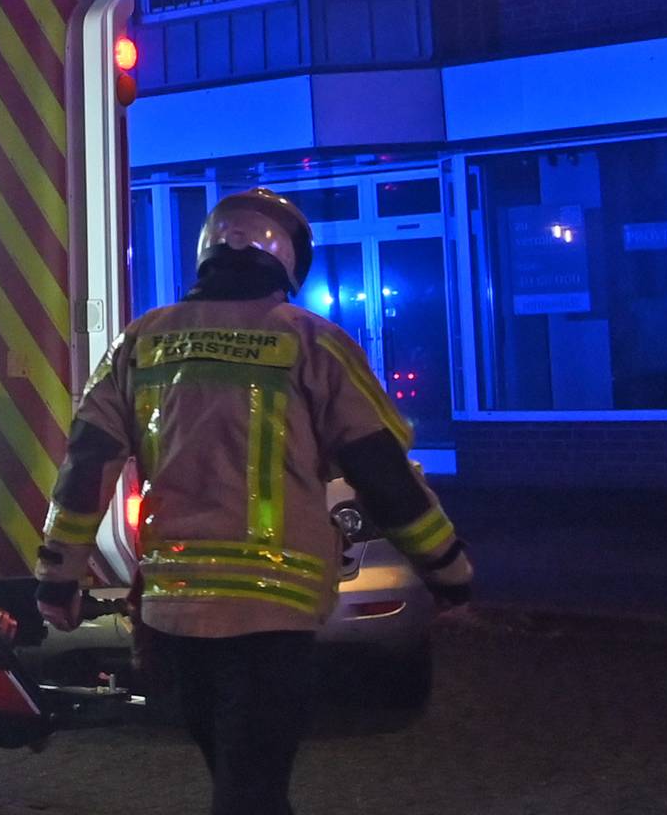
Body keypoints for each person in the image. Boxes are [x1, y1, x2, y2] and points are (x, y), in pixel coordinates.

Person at [35, 189, 474, 815]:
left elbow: (86, 467)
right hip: (274, 618)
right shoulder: (310, 342)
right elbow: (383, 474)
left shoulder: (142, 342)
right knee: (254, 786)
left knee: (238, 783)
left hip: (174, 618)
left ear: (207, 253)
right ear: (288, 261)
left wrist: (58, 577)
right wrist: (448, 568)